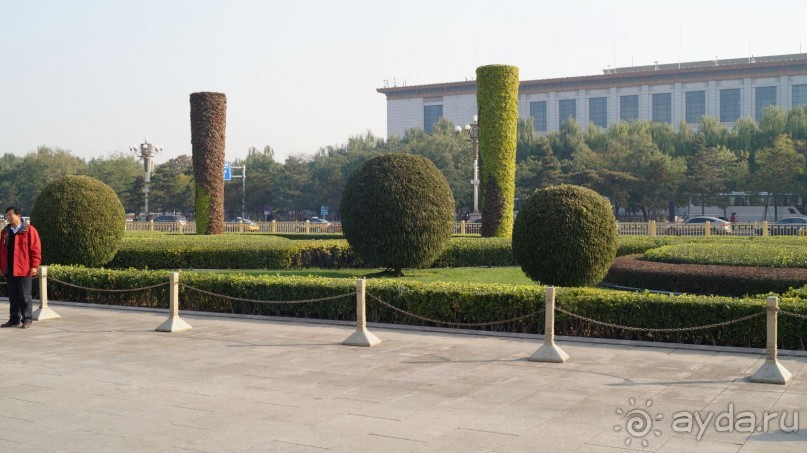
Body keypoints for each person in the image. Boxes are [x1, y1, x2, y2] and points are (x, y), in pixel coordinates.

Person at [0, 206, 42, 329]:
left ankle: (27, 319)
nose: (8, 217)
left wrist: (34, 266)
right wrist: (2, 267)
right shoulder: (5, 231)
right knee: (13, 297)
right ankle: (14, 319)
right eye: (7, 215)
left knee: (24, 296)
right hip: (9, 269)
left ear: (18, 216)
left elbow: (36, 250)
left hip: (24, 269)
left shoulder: (29, 230)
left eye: (10, 215)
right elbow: (1, 251)